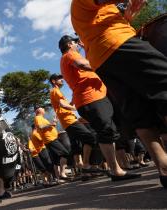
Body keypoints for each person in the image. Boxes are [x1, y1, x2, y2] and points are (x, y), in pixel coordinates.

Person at [70, 0, 167, 187]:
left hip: (102, 60)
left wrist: (128, 15)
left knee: (140, 111)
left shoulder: (94, 15)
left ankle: (164, 167)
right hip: (118, 43)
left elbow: (113, 20)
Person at [59, 34, 141, 181]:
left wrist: (87, 50)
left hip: (95, 98)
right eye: (76, 43)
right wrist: (106, 66)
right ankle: (115, 170)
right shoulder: (69, 54)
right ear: (69, 44)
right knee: (106, 131)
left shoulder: (71, 55)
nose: (78, 45)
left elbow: (85, 63)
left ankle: (119, 166)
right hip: (92, 99)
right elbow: (83, 64)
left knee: (110, 131)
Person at [49, 73, 104, 176]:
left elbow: (64, 105)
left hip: (68, 122)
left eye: (62, 78)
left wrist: (73, 101)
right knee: (91, 138)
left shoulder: (56, 92)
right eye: (59, 78)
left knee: (76, 147)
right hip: (70, 121)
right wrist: (76, 108)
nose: (62, 80)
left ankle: (84, 173)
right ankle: (87, 166)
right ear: (53, 81)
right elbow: (63, 105)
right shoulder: (55, 91)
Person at [34, 107, 71, 180]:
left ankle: (58, 178)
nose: (44, 110)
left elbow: (48, 127)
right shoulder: (38, 117)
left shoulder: (43, 118)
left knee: (56, 161)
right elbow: (41, 127)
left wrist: (54, 122)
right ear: (39, 110)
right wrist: (51, 124)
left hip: (51, 139)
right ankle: (62, 174)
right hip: (50, 140)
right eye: (43, 109)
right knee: (65, 154)